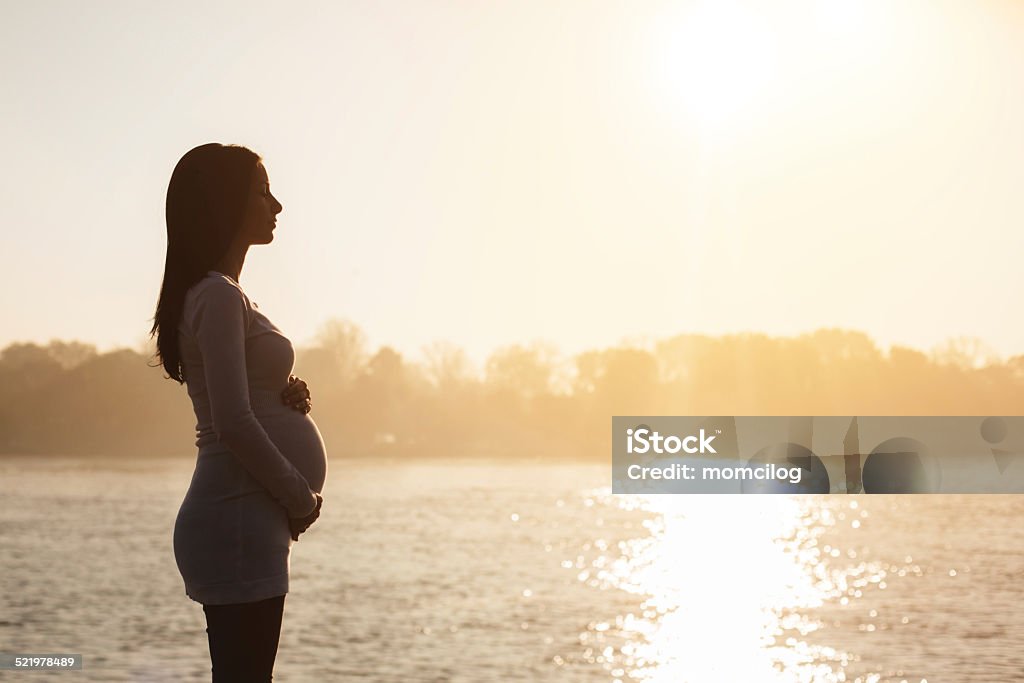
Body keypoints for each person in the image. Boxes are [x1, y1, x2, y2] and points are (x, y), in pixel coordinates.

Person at [149, 142, 329, 682]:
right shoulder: (218, 296)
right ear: (226, 203)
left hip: (245, 517)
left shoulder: (222, 295)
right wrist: (299, 499)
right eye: (262, 191)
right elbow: (232, 422)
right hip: (237, 519)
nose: (276, 205)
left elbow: (241, 395)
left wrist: (282, 391)